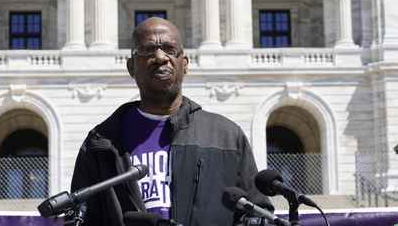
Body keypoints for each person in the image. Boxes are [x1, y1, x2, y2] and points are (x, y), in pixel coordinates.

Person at [70, 17, 272, 226]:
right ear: (131, 67)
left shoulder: (226, 136)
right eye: (148, 50)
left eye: (169, 49)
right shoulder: (102, 142)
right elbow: (80, 217)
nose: (160, 57)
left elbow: (256, 212)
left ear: (184, 64)